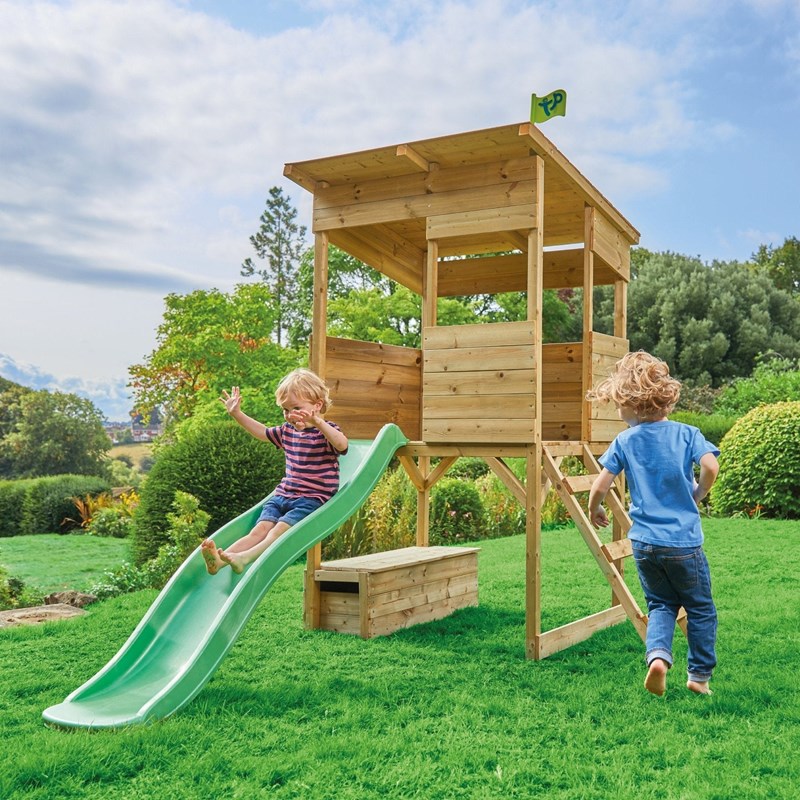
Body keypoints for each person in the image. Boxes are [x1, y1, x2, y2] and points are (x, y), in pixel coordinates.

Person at [586, 351, 720, 697]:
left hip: (644, 543)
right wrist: (698, 493)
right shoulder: (687, 434)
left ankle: (658, 659)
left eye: (619, 404)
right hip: (683, 543)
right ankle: (699, 676)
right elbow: (711, 468)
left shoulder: (625, 441)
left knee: (660, 605)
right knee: (700, 608)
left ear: (633, 405)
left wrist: (594, 509)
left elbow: (600, 485)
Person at [202, 368, 348, 576]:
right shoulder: (286, 432)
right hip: (282, 495)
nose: (290, 415)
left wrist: (318, 421)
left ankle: (244, 558)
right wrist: (237, 413)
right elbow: (262, 432)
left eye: (296, 408)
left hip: (311, 499)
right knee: (259, 530)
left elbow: (341, 445)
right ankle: (219, 561)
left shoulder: (325, 431)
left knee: (278, 530)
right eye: (286, 410)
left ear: (317, 405)